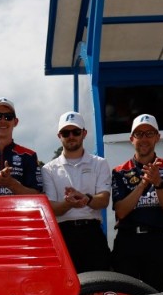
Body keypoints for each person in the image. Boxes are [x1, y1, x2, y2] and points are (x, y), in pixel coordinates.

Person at [109, 113, 163, 292]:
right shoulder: (119, 171)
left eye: (149, 133)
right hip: (127, 241)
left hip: (156, 241)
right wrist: (143, 184)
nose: (144, 139)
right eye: (139, 134)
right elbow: (121, 212)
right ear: (132, 139)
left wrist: (158, 183)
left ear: (158, 137)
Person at [42, 111, 112, 273]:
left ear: (84, 133)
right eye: (66, 133)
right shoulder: (48, 169)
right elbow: (51, 208)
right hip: (62, 236)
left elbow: (104, 200)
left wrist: (85, 198)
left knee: (98, 288)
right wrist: (68, 204)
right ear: (59, 136)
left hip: (92, 233)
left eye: (76, 132)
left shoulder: (100, 163)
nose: (71, 136)